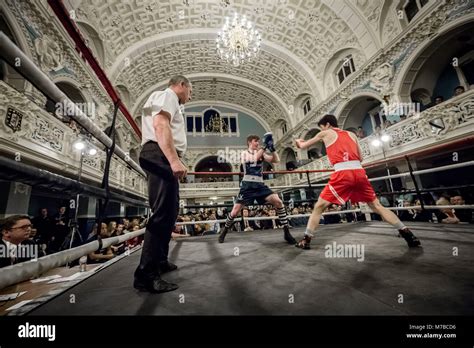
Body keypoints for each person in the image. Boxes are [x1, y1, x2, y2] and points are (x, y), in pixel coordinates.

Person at [294, 114, 421, 249]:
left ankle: (306, 240)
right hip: (359, 172)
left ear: (327, 125)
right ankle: (407, 233)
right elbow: (360, 157)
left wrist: (298, 141)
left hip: (343, 174)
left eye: (322, 127)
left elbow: (302, 146)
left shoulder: (325, 133)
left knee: (319, 207)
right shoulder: (351, 134)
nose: (322, 130)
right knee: (377, 206)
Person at [133, 75, 192, 293]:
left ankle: (159, 261)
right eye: (190, 91)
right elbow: (160, 124)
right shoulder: (168, 95)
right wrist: (174, 159)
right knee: (162, 213)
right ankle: (146, 275)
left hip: (162, 154)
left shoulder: (171, 101)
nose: (190, 96)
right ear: (181, 85)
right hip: (159, 154)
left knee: (170, 212)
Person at [218, 134, 297, 245]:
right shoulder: (244, 153)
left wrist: (273, 149)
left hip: (260, 185)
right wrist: (265, 147)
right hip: (247, 186)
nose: (258, 144)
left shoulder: (262, 153)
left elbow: (276, 160)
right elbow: (253, 159)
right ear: (250, 142)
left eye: (259, 142)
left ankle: (287, 232)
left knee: (278, 201)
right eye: (256, 141)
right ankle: (225, 230)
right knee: (235, 211)